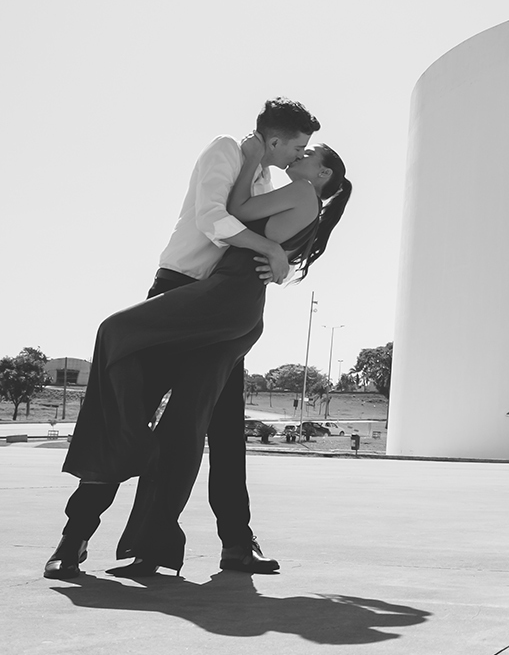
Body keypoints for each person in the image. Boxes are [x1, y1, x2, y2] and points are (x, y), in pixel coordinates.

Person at [45, 132, 351, 579]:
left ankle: (226, 543)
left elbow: (262, 235)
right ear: (274, 138)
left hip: (223, 311)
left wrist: (275, 258)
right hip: (187, 294)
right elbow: (219, 218)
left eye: (307, 149)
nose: (299, 153)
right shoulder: (230, 154)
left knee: (220, 436)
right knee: (140, 421)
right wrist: (270, 249)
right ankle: (78, 536)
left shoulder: (279, 186)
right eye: (297, 145)